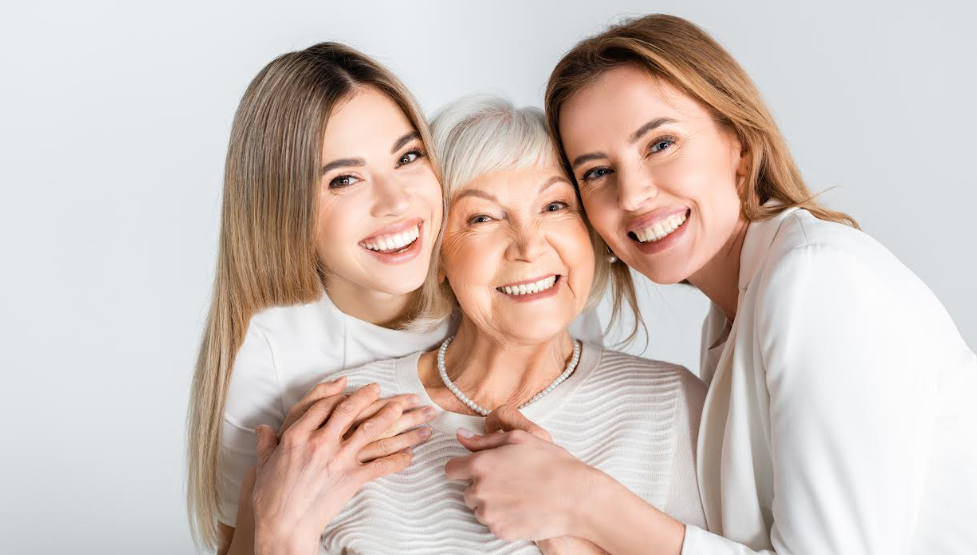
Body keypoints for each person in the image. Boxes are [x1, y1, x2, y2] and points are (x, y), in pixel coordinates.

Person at [448, 13, 977, 555]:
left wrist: (586, 502)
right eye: (596, 172)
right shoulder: (732, 313)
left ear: (739, 144)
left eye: (660, 145)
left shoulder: (815, 279)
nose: (632, 195)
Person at [186, 43, 602, 555]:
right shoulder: (273, 358)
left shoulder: (512, 282)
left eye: (408, 157)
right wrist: (281, 515)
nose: (398, 202)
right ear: (285, 209)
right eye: (344, 179)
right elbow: (248, 538)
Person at [305, 96, 706, 554]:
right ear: (434, 256)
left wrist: (567, 527)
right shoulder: (347, 420)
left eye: (554, 206)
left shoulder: (675, 407)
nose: (528, 246)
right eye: (482, 218)